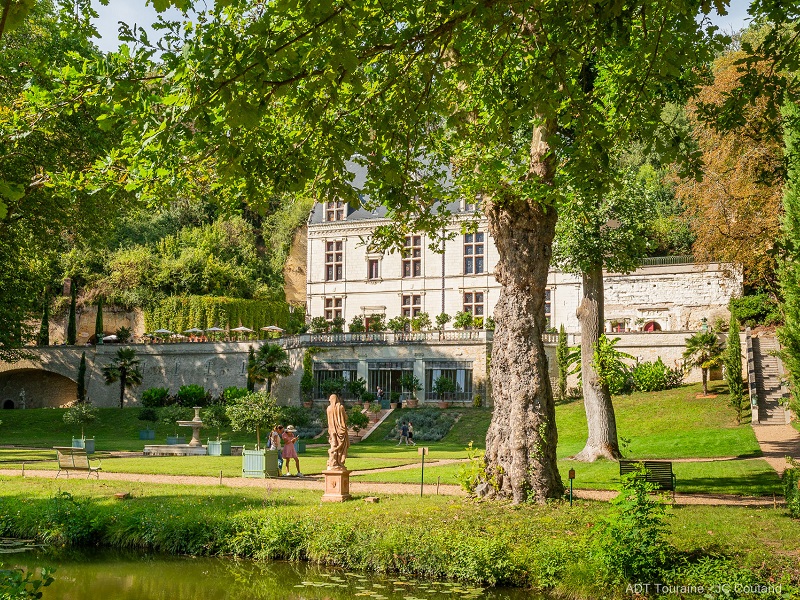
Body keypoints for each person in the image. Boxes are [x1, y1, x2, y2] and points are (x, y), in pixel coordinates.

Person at [326, 393, 349, 470]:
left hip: (333, 432)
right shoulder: (341, 407)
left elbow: (329, 421)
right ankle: (339, 462)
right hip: (341, 431)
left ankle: (334, 462)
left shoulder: (328, 408)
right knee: (342, 448)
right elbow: (345, 418)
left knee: (334, 447)